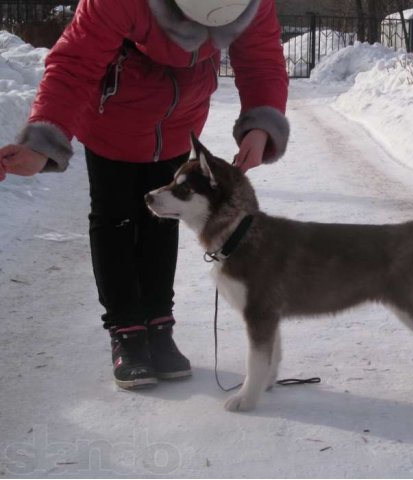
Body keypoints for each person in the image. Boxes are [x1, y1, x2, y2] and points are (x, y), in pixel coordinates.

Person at [0, 0, 289, 389]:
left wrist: (262, 124)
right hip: (111, 120)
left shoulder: (254, 3)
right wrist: (42, 143)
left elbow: (262, 59)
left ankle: (159, 326)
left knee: (163, 220)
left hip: (178, 120)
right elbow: (74, 66)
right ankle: (127, 332)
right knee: (115, 219)